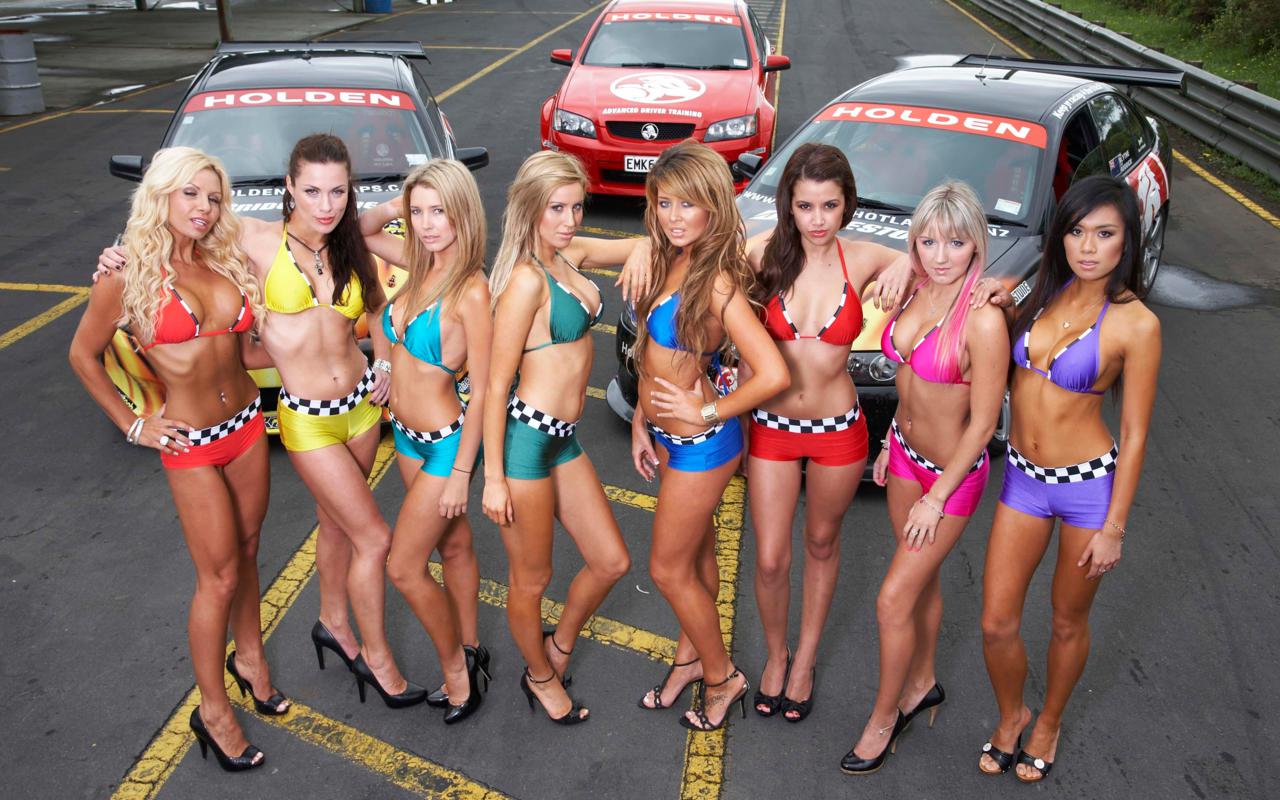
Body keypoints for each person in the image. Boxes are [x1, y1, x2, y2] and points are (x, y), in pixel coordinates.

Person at [97, 134, 422, 707]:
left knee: (336, 524)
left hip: (361, 408)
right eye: (312, 190)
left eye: (338, 191)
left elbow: (375, 308)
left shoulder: (349, 242)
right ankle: (376, 659)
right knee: (374, 537)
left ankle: (333, 622)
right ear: (289, 186)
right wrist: (114, 256)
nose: (326, 204)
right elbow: (172, 229)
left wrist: (386, 360)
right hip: (307, 417)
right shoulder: (250, 237)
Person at [70, 147, 284, 772]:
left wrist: (325, 352)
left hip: (247, 426)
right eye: (190, 193)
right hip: (191, 443)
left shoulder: (223, 259)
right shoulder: (124, 274)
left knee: (249, 550)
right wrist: (134, 425)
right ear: (160, 194)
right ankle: (212, 712)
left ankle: (251, 659)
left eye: (213, 197)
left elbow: (244, 354)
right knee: (217, 576)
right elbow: (83, 356)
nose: (204, 207)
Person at [973, 175, 1160, 782]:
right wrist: (1002, 296)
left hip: (1088, 490)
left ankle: (1048, 721)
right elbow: (1004, 312)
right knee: (996, 621)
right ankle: (1012, 714)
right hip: (1023, 480)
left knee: (1065, 620)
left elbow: (1134, 434)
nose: (1087, 246)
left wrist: (1114, 529)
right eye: (1077, 231)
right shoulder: (1043, 288)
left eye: (1104, 234)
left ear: (1126, 241)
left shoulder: (1137, 324)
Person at [840, 181, 1009, 774]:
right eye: (928, 241)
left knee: (892, 600)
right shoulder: (915, 289)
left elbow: (982, 424)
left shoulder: (984, 321)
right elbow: (908, 385)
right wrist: (891, 441)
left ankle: (884, 718)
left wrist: (937, 498)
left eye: (955, 243)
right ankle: (923, 682)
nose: (941, 256)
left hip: (948, 479)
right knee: (921, 582)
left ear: (975, 246)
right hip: (905, 455)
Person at [743, 143, 911, 722]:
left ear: (847, 205)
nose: (817, 220)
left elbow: (936, 263)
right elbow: (698, 271)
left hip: (838, 429)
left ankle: (806, 658)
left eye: (830, 206)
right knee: (770, 559)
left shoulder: (862, 258)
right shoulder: (759, 253)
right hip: (771, 426)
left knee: (821, 543)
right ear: (788, 205)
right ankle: (776, 654)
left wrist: (906, 265)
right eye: (805, 206)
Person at [627, 139, 790, 731]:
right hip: (667, 436)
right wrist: (642, 418)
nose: (674, 216)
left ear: (714, 207)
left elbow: (773, 373)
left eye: (688, 204)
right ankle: (688, 659)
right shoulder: (671, 257)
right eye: (665, 202)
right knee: (694, 561)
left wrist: (709, 411)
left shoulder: (717, 281)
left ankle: (723, 678)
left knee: (667, 570)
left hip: (701, 445)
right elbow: (656, 359)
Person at [482, 151, 637, 724]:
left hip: (563, 438)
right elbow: (495, 385)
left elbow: (645, 245)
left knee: (611, 560)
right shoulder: (526, 280)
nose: (570, 220)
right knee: (532, 579)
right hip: (525, 444)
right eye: (556, 208)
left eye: (576, 207)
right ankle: (540, 677)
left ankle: (560, 644)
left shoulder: (569, 254)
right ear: (530, 209)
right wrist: (493, 479)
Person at [358, 159, 491, 724]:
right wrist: (401, 199)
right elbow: (361, 229)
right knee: (452, 547)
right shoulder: (417, 262)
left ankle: (458, 674)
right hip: (407, 437)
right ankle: (473, 647)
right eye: (418, 212)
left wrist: (462, 474)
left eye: (440, 211)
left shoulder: (472, 291)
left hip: (444, 446)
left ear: (463, 213)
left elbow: (486, 390)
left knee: (403, 567)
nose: (428, 223)